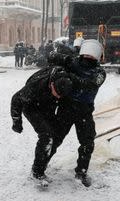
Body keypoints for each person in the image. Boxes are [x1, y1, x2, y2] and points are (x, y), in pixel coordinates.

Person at [10, 39, 106, 188]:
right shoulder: (73, 62)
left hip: (85, 111)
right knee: (53, 138)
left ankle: (81, 172)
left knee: (87, 141)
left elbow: (90, 84)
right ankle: (39, 169)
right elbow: (52, 57)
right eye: (87, 55)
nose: (88, 59)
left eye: (92, 57)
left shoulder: (99, 72)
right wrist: (62, 58)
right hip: (66, 108)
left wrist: (70, 76)